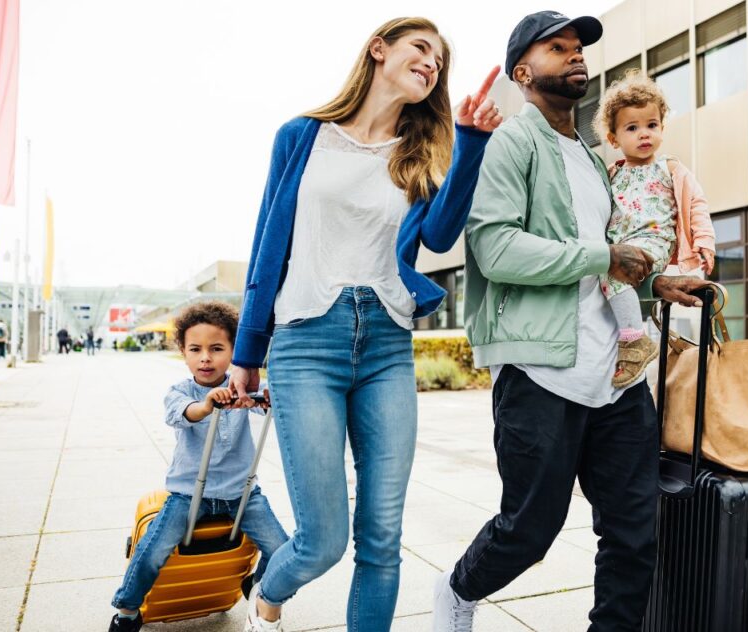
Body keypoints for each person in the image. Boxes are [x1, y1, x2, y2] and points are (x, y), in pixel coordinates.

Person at [431, 11, 709, 632]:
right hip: (542, 372)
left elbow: (602, 260)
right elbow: (495, 247)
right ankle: (457, 589)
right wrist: (602, 255)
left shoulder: (589, 157)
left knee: (635, 532)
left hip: (617, 376)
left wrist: (656, 279)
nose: (575, 55)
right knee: (529, 530)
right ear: (524, 72)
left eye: (578, 47)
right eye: (558, 48)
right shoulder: (513, 142)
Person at [228, 17, 502, 632]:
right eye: (420, 48)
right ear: (379, 49)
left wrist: (471, 141)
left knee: (382, 536)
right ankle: (269, 594)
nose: (431, 63)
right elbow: (267, 246)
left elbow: (438, 234)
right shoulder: (301, 137)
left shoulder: (423, 152)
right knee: (322, 539)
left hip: (385, 341)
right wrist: (249, 350)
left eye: (440, 59)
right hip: (307, 342)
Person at [108, 301, 288, 632]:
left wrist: (266, 396)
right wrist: (207, 404)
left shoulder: (243, 388)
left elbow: (269, 402)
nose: (205, 357)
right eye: (196, 349)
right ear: (183, 352)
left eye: (217, 348)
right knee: (153, 550)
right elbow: (183, 412)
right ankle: (128, 608)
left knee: (282, 549)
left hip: (241, 492)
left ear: (234, 352)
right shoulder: (180, 391)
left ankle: (259, 585)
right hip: (188, 492)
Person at [596, 70, 715, 387]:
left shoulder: (670, 168)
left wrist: (704, 240)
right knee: (610, 276)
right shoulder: (612, 174)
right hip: (621, 245)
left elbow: (696, 203)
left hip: (652, 242)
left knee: (613, 274)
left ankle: (634, 341)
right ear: (613, 138)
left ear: (662, 127)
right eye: (632, 128)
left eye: (652, 125)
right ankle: (631, 334)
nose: (644, 134)